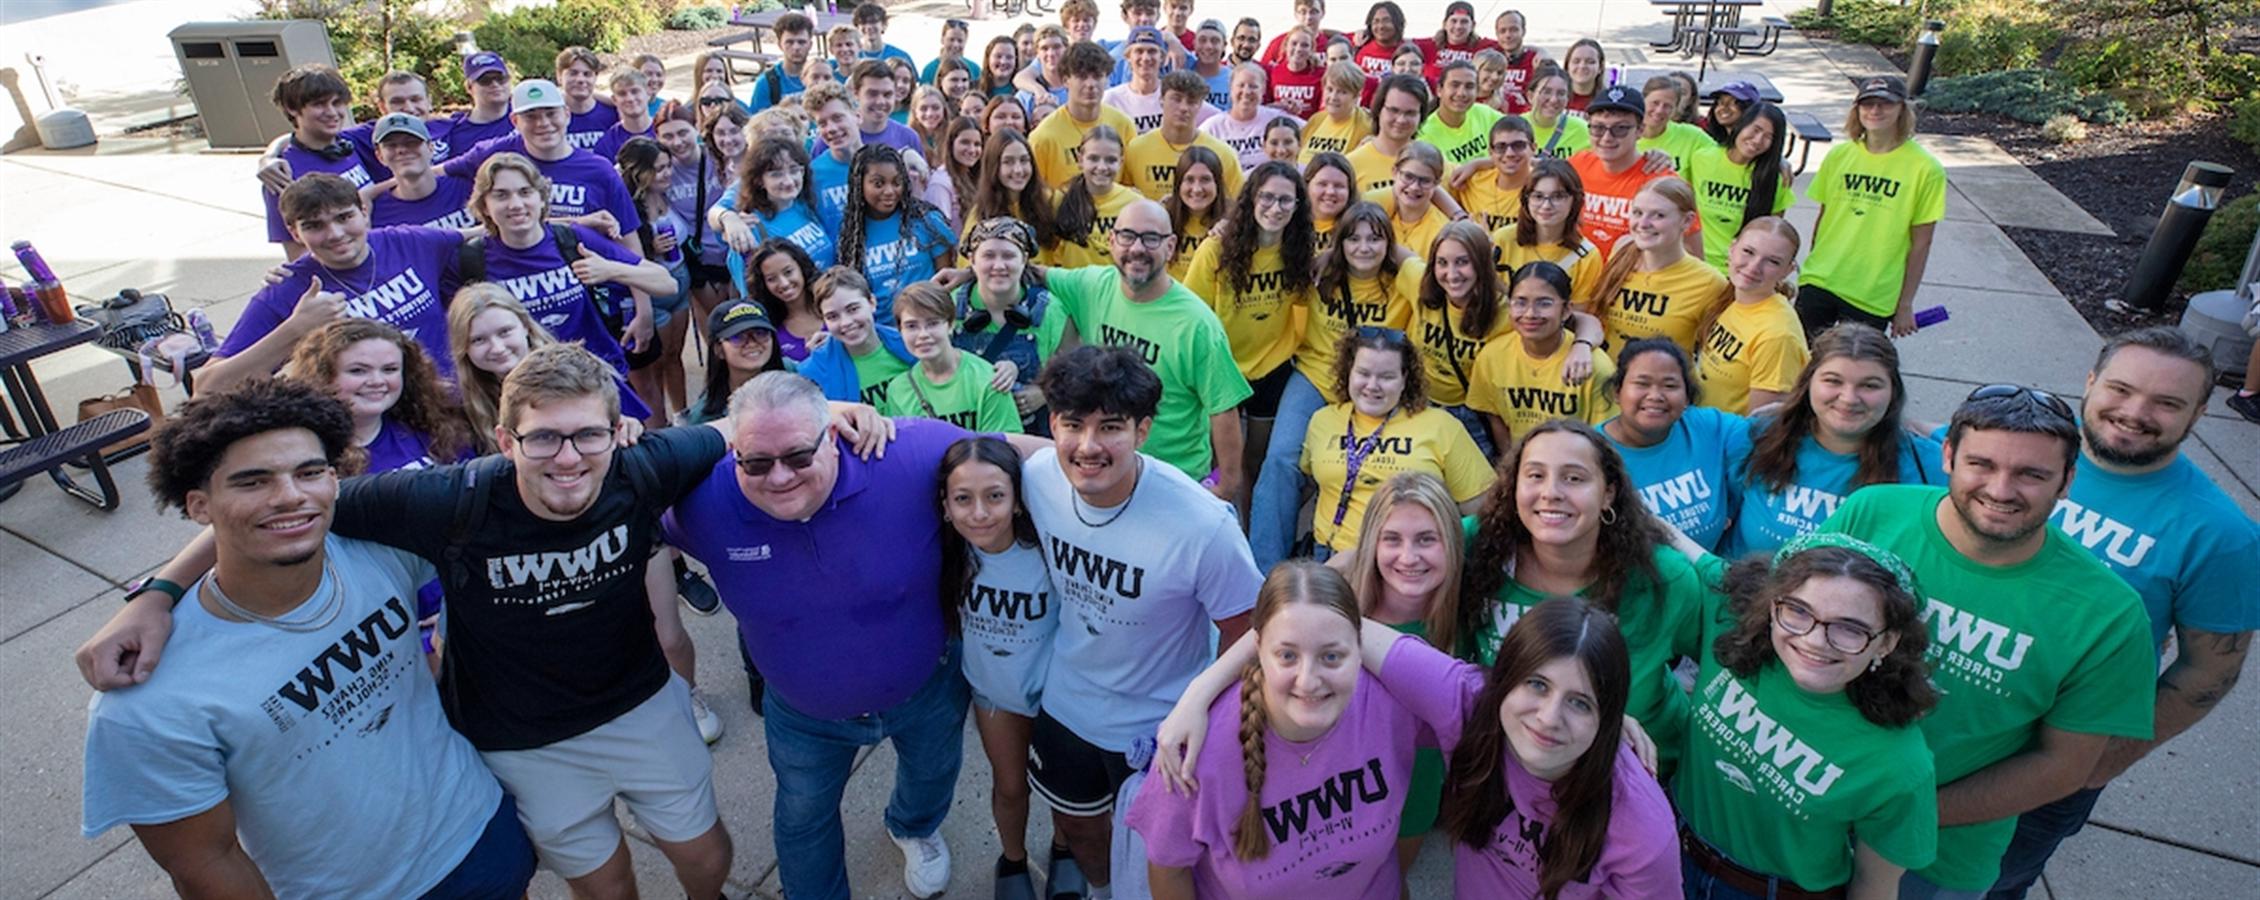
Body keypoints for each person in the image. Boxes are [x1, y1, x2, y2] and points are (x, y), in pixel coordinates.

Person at [90, 345, 758, 898]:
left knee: (704, 854)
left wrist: (844, 414)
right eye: (543, 437)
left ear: (616, 434)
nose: (567, 456)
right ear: (504, 440)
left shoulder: (640, 467)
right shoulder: (441, 502)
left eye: (588, 434)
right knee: (605, 885)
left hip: (586, 745)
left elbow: (744, 428)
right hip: (521, 742)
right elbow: (284, 515)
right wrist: (156, 593)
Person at [80, 377, 536, 899]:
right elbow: (206, 862)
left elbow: (527, 486)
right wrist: (156, 596)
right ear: (198, 506)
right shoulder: (147, 699)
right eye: (253, 482)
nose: (291, 496)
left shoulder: (380, 547)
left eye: (310, 472)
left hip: (480, 829)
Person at [660, 370, 1031, 900]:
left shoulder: (908, 455)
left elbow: (1031, 458)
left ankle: (912, 826)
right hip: (804, 715)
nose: (780, 477)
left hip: (927, 689)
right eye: (757, 462)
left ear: (832, 436)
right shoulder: (702, 501)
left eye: (798, 456)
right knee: (804, 818)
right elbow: (612, 490)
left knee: (933, 777)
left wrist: (1158, 493)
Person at [1813, 386, 2156, 899]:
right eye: (1982, 464)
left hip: (1935, 859)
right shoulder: (1872, 513)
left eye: (2032, 474)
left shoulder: (2107, 615)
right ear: (1948, 455)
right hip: (1800, 808)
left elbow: (2064, 766)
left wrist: (1905, 814)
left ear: (2067, 481)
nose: (2001, 489)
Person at [1988, 329, 2260, 899]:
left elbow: (2210, 671)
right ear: (2090, 384)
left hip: (2050, 757)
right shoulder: (2013, 458)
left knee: (1990, 886)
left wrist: (2100, 763)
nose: (2136, 413)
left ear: (2199, 414)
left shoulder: (2220, 535)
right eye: (2122, 388)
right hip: (1944, 721)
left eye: (2167, 402)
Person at [1017, 345, 1260, 900]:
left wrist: (1203, 710)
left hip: (1160, 720)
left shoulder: (1203, 526)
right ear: (1053, 423)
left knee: (1157, 854)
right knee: (1078, 825)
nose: (1088, 446)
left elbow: (1247, 630)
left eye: (1111, 428)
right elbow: (973, 448)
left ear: (1143, 429)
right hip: (1068, 699)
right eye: (1072, 424)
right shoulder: (1038, 477)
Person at [1127, 562, 1424, 897]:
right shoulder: (1197, 753)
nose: (1309, 681)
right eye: (1287, 655)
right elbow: (1169, 871)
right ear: (1258, 649)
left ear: (1361, 647)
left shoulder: (1394, 705)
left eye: (1331, 657)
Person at [1676, 535, 1941, 899]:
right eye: (1798, 611)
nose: (1815, 641)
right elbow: (1685, 549)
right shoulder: (1732, 628)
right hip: (1668, 851)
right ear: (1771, 606)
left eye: (1850, 628)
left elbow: (1874, 887)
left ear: (1886, 642)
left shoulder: (1900, 765)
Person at [1384, 596, 1681, 895]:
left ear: (1606, 719)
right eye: (1537, 684)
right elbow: (1353, 633)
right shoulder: (1467, 703)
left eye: (1580, 703)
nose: (1549, 718)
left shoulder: (1641, 825)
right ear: (1504, 678)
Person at [1462, 418, 1710, 774]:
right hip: (1511, 765)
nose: (1551, 492)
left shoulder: (1664, 578)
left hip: (1632, 772)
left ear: (1608, 493)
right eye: (1535, 475)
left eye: (1574, 478)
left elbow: (1724, 657)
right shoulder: (1479, 546)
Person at [200, 174, 467, 395]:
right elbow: (207, 387)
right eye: (315, 226)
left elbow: (486, 234)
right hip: (372, 433)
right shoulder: (288, 289)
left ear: (363, 213)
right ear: (295, 233)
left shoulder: (406, 242)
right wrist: (295, 329)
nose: (335, 234)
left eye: (343, 217)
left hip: (450, 407)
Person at [938, 436, 1060, 900]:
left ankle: (1065, 849)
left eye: (995, 496)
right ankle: (1012, 858)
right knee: (1010, 786)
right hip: (994, 695)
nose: (980, 513)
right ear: (946, 506)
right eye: (963, 499)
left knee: (1061, 788)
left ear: (1018, 500)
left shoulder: (1046, 552)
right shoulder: (949, 555)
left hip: (1056, 695)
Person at [1724, 323, 1942, 558]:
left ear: (1893, 391)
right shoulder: (1759, 436)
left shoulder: (1928, 465)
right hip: (1747, 590)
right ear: (1808, 382)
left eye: (1869, 385)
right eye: (1833, 381)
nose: (1848, 399)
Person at [467, 153, 673, 382]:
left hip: (594, 382)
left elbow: (666, 283)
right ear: (484, 205)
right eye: (501, 196)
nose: (515, 205)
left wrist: (610, 270)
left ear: (542, 198)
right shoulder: (472, 259)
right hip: (527, 391)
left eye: (525, 192)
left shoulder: (570, 239)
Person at [1300, 326, 1493, 559]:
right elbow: (1313, 482)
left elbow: (1481, 511)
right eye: (1363, 373)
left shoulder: (1442, 426)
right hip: (1333, 556)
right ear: (1348, 372)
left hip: (1408, 561)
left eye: (1387, 377)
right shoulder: (1323, 421)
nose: (1372, 385)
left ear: (1405, 380)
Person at [1185, 161, 1319, 489]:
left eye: (1285, 200)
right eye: (1267, 197)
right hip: (1222, 369)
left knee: (1256, 461)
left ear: (1298, 206)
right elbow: (1191, 314)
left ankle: (1248, 533)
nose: (1275, 208)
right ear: (1251, 200)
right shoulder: (1215, 249)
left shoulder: (1300, 250)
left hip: (1272, 367)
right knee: (1221, 464)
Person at [1799, 76, 1945, 339]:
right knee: (1798, 364)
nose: (1875, 111)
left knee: (1847, 372)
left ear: (1902, 109)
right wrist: (1811, 266)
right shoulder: (1839, 156)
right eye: (1867, 104)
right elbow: (1824, 217)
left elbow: (1921, 243)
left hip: (1872, 291)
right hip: (1820, 279)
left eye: (1885, 104)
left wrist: (1905, 304)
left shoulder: (1925, 169)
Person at [440, 79, 646, 257]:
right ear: (515, 121)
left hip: (595, 279)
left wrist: (642, 300)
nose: (543, 123)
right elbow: (431, 172)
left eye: (550, 113)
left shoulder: (599, 169)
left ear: (566, 114)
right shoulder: (495, 155)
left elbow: (629, 241)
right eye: (531, 116)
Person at [1600, 339, 1741, 551]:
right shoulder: (1592, 452)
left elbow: (1770, 433)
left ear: (1687, 398)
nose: (1655, 396)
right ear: (1618, 392)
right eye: (1642, 383)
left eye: (1670, 386)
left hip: (1706, 578)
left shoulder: (1710, 427)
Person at [1468, 260, 1618, 450]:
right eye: (1520, 302)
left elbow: (1605, 436)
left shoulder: (1595, 365)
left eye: (1544, 303)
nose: (1530, 313)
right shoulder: (1491, 356)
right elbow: (1495, 416)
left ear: (1566, 311)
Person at [954, 217, 1078, 430]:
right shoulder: (949, 307)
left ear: (1024, 260)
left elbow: (1076, 372)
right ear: (972, 261)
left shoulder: (1051, 310)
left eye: (1009, 256)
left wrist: (1044, 393)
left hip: (1032, 434)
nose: (999, 266)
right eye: (988, 256)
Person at [1406, 222, 1510, 454]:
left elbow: (1576, 321)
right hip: (1420, 404)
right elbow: (1391, 248)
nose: (1451, 275)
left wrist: (1583, 344)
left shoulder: (1506, 313)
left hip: (1471, 414)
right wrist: (1329, 255)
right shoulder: (1421, 286)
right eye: (1442, 263)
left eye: (1462, 262)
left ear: (1481, 264)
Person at [1589, 177, 1727, 352]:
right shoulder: (1621, 251)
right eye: (1638, 213)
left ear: (1687, 221)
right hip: (1607, 375)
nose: (1643, 224)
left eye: (1659, 215)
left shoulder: (1710, 283)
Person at [1693, 217, 1809, 415]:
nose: (1754, 267)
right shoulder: (1734, 299)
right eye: (1748, 252)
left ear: (1787, 271)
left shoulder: (1777, 336)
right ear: (1732, 249)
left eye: (1773, 261)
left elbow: (1761, 426)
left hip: (1728, 442)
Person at [258, 64, 375, 260]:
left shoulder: (351, 142)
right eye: (319, 104)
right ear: (292, 108)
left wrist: (269, 152)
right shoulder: (283, 172)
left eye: (337, 103)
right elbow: (297, 254)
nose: (332, 112)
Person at [615, 138, 693, 423]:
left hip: (681, 280)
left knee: (675, 356)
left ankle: (683, 414)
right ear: (639, 172)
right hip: (653, 290)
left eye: (668, 166)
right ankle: (659, 423)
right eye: (659, 169)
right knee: (655, 364)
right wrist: (651, 248)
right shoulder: (626, 207)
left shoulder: (669, 195)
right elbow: (623, 255)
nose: (667, 174)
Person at [838, 144, 957, 322]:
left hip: (928, 326)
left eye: (897, 182)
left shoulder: (927, 221)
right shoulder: (852, 233)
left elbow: (948, 283)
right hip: (881, 333)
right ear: (859, 184)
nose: (889, 191)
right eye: (878, 183)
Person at [880, 282, 1022, 432]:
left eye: (933, 323)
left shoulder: (988, 379)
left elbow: (1006, 445)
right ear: (899, 330)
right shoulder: (898, 390)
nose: (923, 335)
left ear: (951, 324)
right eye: (911, 326)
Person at [1569, 84, 1687, 261]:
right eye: (1598, 128)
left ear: (1640, 130)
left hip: (1632, 281)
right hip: (1579, 277)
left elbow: (1691, 253)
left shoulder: (1662, 180)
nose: (1607, 137)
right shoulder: (1577, 164)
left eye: (1620, 129)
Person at [1685, 102, 1794, 273]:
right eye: (1756, 129)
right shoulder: (1701, 158)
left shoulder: (1774, 180)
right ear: (1742, 124)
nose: (1758, 140)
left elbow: (1772, 234)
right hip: (1693, 264)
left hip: (1738, 273)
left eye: (1769, 137)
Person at [1491, 157, 1607, 303]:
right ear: (1526, 200)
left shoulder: (1587, 256)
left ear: (1575, 200)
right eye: (1538, 196)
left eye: (1558, 196)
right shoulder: (1503, 239)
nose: (1546, 205)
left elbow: (1578, 316)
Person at [1032, 41, 1138, 189]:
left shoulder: (1123, 125)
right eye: (1082, 77)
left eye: (1097, 76)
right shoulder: (1043, 137)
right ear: (1065, 81)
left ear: (1107, 79)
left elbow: (1129, 185)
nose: (1090, 84)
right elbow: (1037, 194)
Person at [1126, 70, 1244, 202]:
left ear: (1200, 106)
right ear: (1161, 100)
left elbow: (1237, 205)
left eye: (1191, 101)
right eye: (1176, 99)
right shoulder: (1136, 149)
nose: (1183, 107)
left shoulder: (1222, 154)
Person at [803, 267, 914, 406]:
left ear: (872, 303)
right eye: (832, 316)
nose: (846, 323)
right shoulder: (813, 372)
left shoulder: (911, 345)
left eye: (853, 309)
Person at [364, 114, 479, 230]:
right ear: (380, 157)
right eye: (391, 145)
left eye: (411, 142)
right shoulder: (377, 216)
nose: (401, 150)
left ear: (430, 148)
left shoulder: (467, 188)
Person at [686, 299, 791, 425]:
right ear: (718, 349)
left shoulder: (792, 373)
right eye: (738, 337)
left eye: (760, 333)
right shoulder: (705, 418)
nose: (752, 343)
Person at [1050, 125, 1140, 269]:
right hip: (1072, 288)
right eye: (1093, 158)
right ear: (1080, 160)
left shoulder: (1135, 204)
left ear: (1121, 162)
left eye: (1111, 160)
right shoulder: (1059, 200)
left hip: (1116, 289)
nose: (1102, 167)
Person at [968, 129, 1064, 260]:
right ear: (993, 167)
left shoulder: (1053, 201)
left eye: (1024, 160)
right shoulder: (981, 213)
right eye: (1008, 162)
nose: (1018, 170)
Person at [1200, 62, 1302, 172]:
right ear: (1230, 88)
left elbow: (1311, 131)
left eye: (1253, 86)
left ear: (1262, 91)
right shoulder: (1213, 126)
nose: (1247, 91)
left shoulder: (1277, 118)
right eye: (1241, 85)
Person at [815, 61, 927, 160]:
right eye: (872, 94)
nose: (880, 101)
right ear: (856, 94)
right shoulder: (832, 139)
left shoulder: (908, 137)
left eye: (887, 94)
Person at [740, 240, 827, 362]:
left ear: (801, 267)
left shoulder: (831, 303)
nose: (784, 283)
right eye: (771, 279)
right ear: (763, 284)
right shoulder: (767, 328)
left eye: (788, 272)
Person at [1345, 74, 1429, 194]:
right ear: (1379, 110)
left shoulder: (1431, 162)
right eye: (1394, 110)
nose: (1401, 120)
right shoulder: (1351, 165)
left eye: (1410, 113)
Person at [1106, 25, 1199, 133]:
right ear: (1128, 58)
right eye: (1139, 51)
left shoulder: (1175, 95)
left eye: (1152, 51)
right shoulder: (1112, 99)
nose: (1145, 58)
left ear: (1162, 58)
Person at [1451, 115, 1536, 233]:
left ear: (1533, 148)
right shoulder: (1472, 180)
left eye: (1518, 145)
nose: (1509, 153)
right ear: (1491, 152)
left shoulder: (1545, 187)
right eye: (1501, 147)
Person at [1370, 142, 1451, 263]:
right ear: (1394, 172)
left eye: (1425, 181)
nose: (1414, 187)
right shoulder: (1381, 213)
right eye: (1408, 176)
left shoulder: (1442, 233)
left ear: (1436, 183)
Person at [1418, 60, 1505, 171]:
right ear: (1439, 90)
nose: (1461, 93)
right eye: (1455, 85)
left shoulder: (1485, 114)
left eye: (1469, 86)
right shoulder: (1424, 135)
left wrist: (1477, 164)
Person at [1164, 145, 1229, 281]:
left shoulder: (1233, 219)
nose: (1197, 189)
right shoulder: (1163, 216)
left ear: (1217, 183)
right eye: (1189, 180)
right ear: (1178, 184)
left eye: (1205, 180)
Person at [1632, 76, 1713, 174]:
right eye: (1655, 103)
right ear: (1642, 101)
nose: (1659, 110)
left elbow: (1722, 158)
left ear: (1676, 109)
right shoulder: (1623, 135)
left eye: (1667, 106)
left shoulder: (1693, 136)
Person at [1300, 62, 1375, 162]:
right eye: (1330, 89)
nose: (1333, 97)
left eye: (1342, 92)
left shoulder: (1366, 126)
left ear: (1356, 96)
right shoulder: (1316, 120)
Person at [552, 47, 621, 151]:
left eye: (587, 74)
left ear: (595, 78)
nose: (580, 79)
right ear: (559, 76)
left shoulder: (614, 114)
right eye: (573, 73)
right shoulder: (550, 117)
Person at [1419, 1, 1501, 83]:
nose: (1458, 26)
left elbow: (1509, 45)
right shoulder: (1428, 46)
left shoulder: (1484, 47)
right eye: (1454, 21)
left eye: (1464, 22)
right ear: (1444, 24)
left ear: (1473, 25)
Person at [588, 67, 658, 163]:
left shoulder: (665, 132)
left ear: (648, 93)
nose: (630, 98)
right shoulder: (607, 144)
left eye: (635, 91)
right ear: (614, 100)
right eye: (622, 94)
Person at [1526, 65, 1592, 158]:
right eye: (1546, 92)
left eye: (1561, 93)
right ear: (1530, 96)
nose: (1554, 100)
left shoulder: (1583, 130)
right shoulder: (1514, 127)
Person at [1263, 27, 1326, 119]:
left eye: (1304, 45)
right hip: (1279, 128)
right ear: (1286, 46)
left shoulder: (1321, 75)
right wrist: (1279, 105)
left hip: (1309, 129)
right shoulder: (1273, 72)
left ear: (1312, 49)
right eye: (1294, 43)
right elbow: (1264, 108)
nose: (1298, 49)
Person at [1258, 0, 1343, 66]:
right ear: (1295, 14)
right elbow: (1262, 72)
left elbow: (1354, 37)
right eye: (1303, 12)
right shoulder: (1279, 43)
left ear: (1323, 13)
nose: (1308, 17)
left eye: (1313, 12)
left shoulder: (1332, 44)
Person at [1491, 10, 1543, 114]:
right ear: (1496, 34)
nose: (1508, 35)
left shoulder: (1536, 60)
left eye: (1513, 30)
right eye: (1502, 31)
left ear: (1523, 31)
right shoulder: (1490, 58)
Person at [1350, 2, 1408, 78]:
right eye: (1376, 21)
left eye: (1386, 21)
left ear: (1398, 23)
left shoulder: (1409, 51)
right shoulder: (1359, 42)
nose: (1381, 26)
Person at [851, 1, 916, 67]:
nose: (869, 27)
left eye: (873, 22)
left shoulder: (900, 56)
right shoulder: (850, 57)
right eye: (863, 23)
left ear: (884, 25)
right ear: (857, 27)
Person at [1562, 39, 1606, 114]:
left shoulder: (1607, 103)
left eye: (1590, 62)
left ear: (1600, 68)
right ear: (1567, 66)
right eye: (1576, 61)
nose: (1582, 66)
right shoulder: (1554, 99)